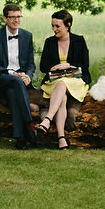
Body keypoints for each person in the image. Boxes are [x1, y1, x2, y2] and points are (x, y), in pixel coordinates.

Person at [38, 10, 91, 149]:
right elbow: (43, 67)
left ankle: (48, 119)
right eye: (52, 26)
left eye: (57, 26)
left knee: (62, 83)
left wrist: (68, 65)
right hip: (55, 80)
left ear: (68, 25)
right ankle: (61, 138)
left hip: (75, 80)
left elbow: (85, 65)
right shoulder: (49, 42)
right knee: (62, 94)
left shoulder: (79, 41)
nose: (54, 29)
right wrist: (54, 67)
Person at [0, 4, 37, 148]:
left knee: (14, 92)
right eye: (13, 17)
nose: (16, 20)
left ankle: (20, 138)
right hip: (0, 77)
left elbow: (31, 64)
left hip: (18, 80)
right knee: (16, 81)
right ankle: (30, 124)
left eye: (19, 16)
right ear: (5, 18)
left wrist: (28, 76)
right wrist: (11, 73)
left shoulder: (27, 36)